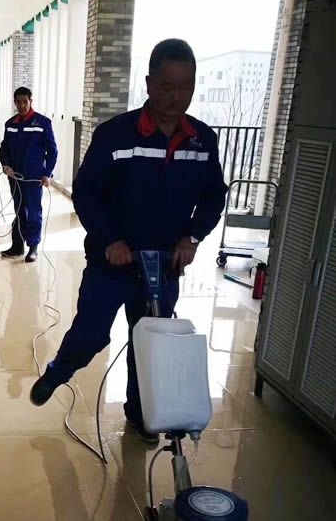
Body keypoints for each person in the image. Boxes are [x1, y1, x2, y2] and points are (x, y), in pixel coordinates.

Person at [29, 38, 228, 444]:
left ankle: (140, 416)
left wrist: (192, 237)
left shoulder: (202, 140)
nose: (176, 97)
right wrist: (110, 240)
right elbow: (87, 193)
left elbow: (213, 196)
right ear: (149, 84)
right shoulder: (115, 134)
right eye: (167, 86)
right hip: (114, 262)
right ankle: (59, 371)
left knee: (150, 343)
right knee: (91, 333)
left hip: (164, 265)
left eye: (186, 87)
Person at [0, 87, 58, 263]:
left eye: (25, 101)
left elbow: (52, 151)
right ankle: (17, 246)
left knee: (33, 211)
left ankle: (33, 247)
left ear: (30, 101)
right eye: (18, 102)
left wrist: (47, 173)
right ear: (15, 103)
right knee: (19, 211)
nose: (22, 105)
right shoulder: (10, 124)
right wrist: (5, 165)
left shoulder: (42, 122)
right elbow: (4, 148)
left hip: (34, 178)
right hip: (15, 176)